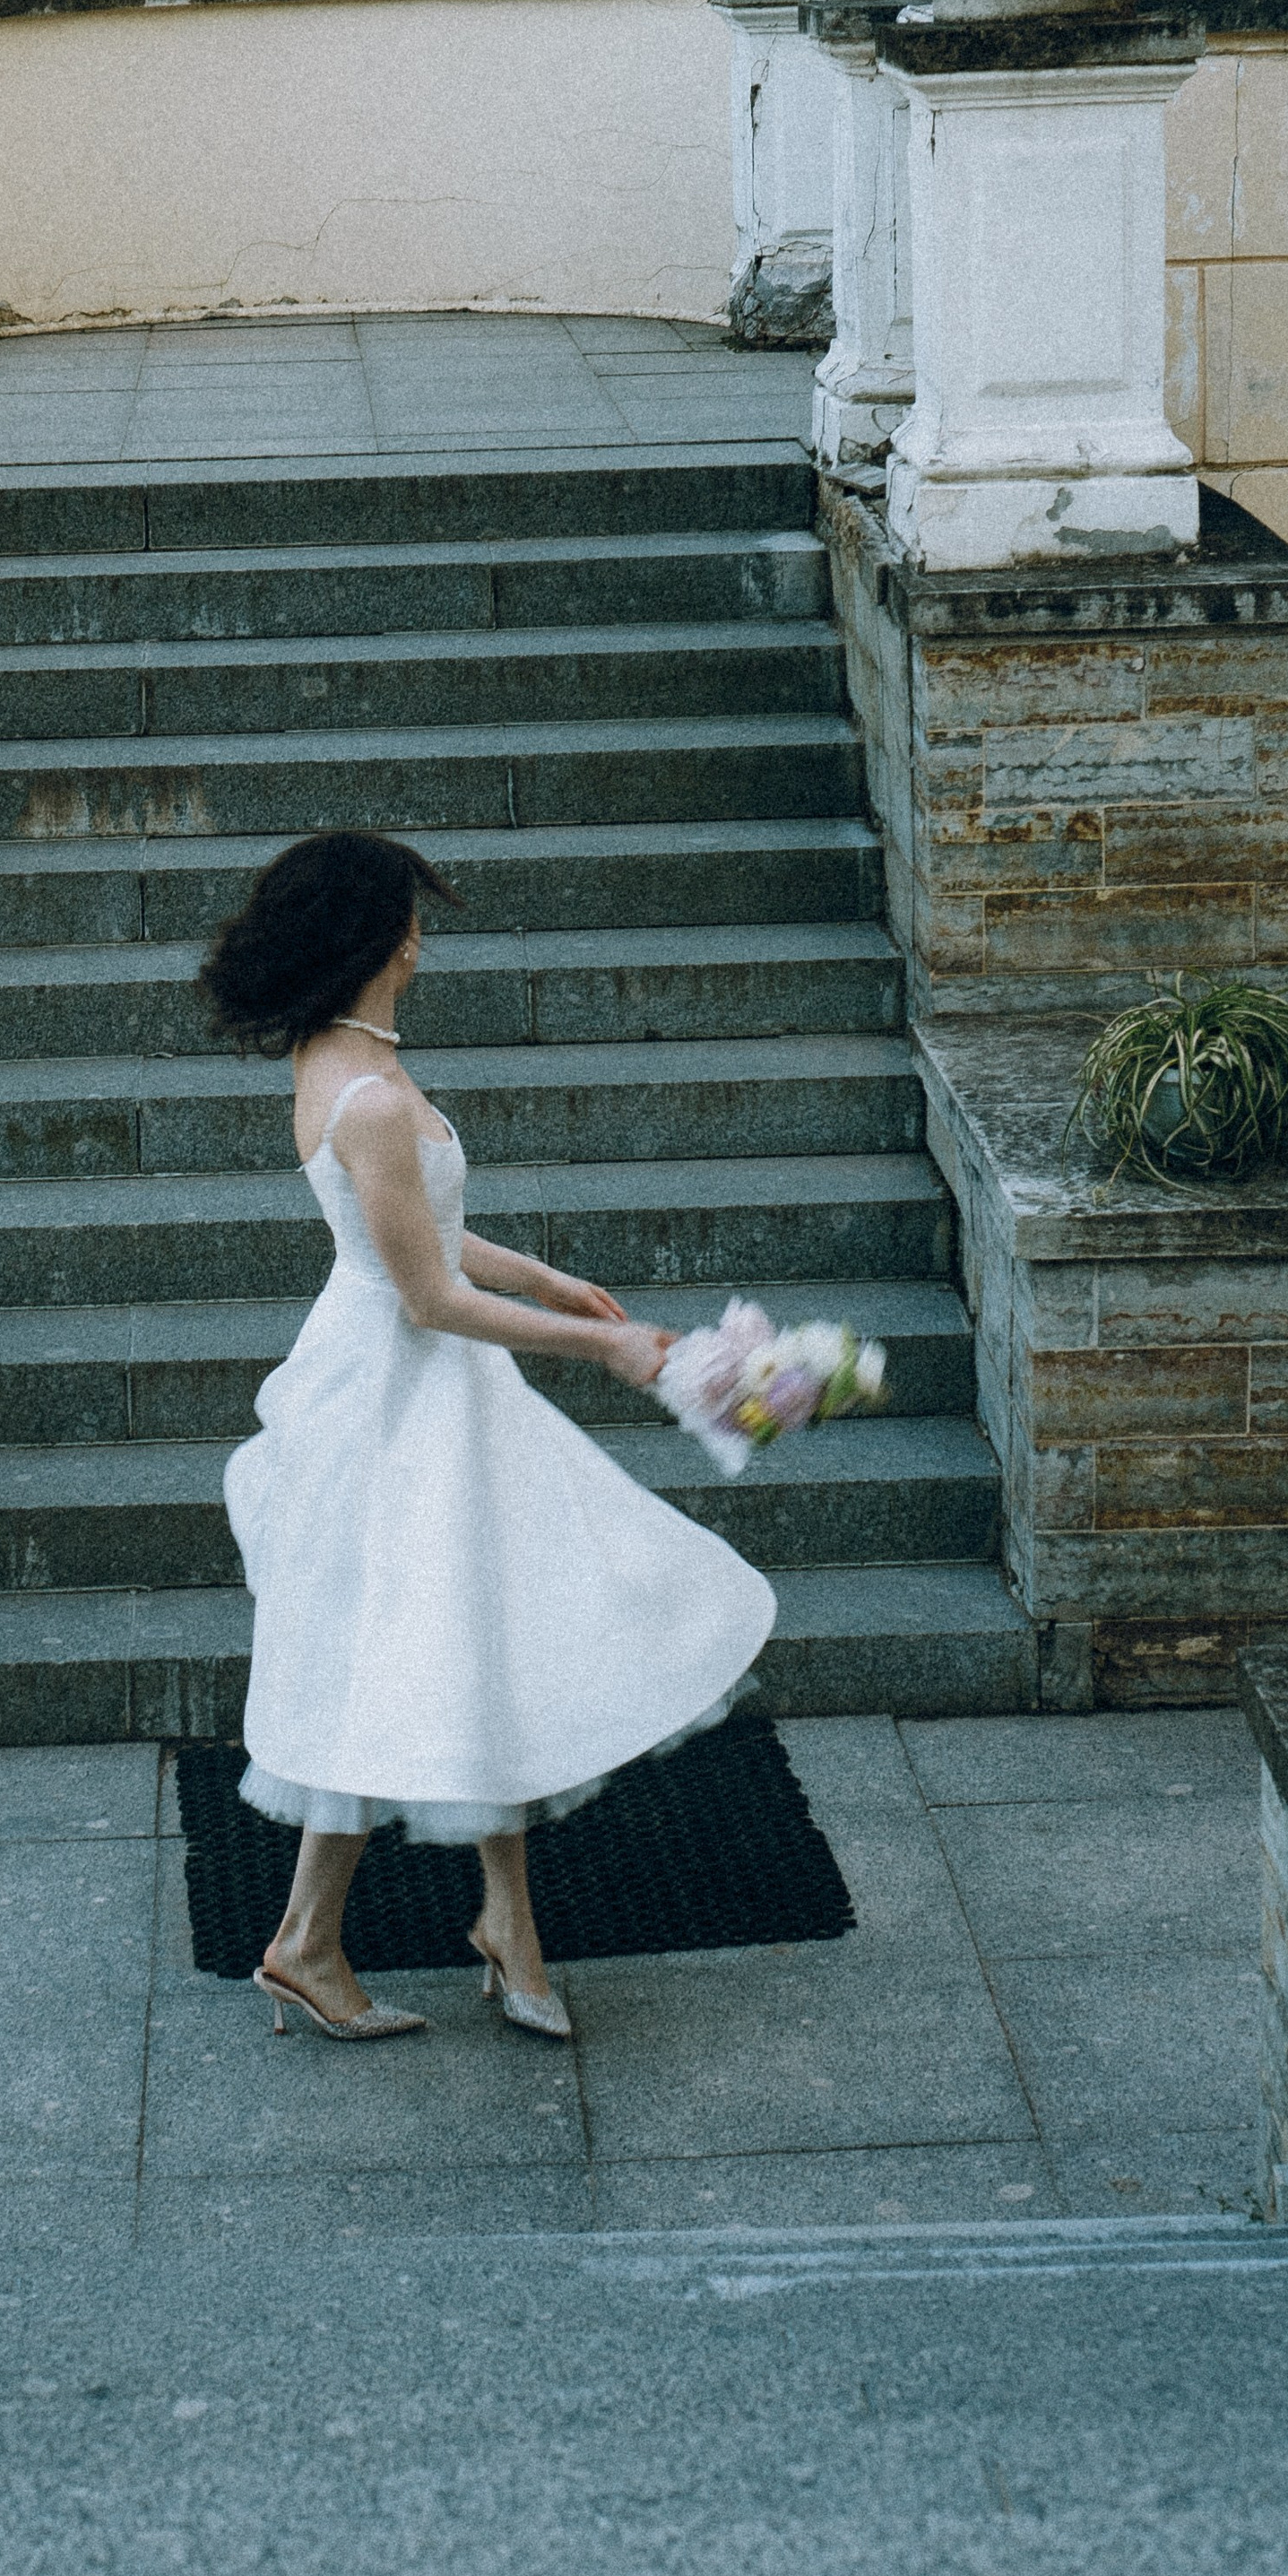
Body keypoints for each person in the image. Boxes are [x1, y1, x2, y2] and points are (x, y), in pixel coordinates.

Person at [202, 829, 777, 2045]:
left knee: (480, 1637)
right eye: (409, 917)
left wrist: (556, 1279)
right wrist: (611, 1349)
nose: (422, 936)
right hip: (406, 1396)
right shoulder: (362, 1094)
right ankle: (321, 1941)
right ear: (372, 938)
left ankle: (478, 1928)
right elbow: (426, 1295)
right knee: (424, 1654)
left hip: (421, 1388)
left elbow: (425, 1236)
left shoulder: (343, 1059)